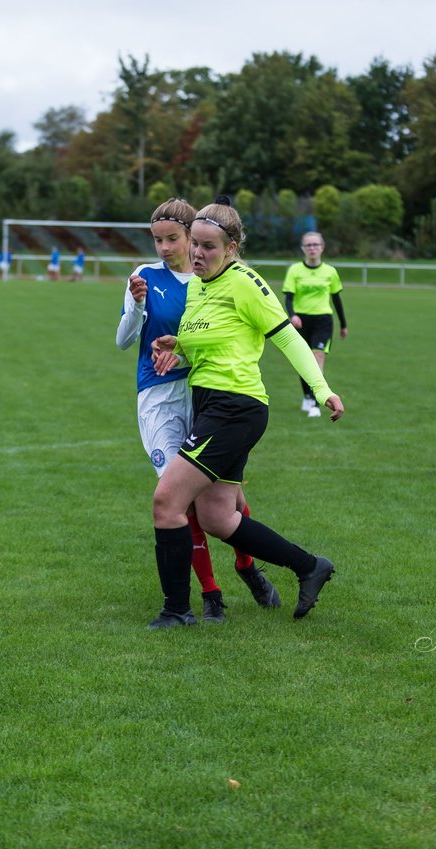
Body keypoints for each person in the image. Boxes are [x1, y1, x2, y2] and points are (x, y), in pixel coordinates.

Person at [148, 196, 344, 629]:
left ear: (232, 247)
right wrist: (175, 348)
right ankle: (310, 567)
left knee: (167, 502)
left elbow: (288, 339)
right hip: (211, 405)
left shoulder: (245, 283)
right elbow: (209, 345)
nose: (197, 254)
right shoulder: (199, 285)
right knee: (218, 517)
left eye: (208, 247)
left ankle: (177, 610)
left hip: (235, 408)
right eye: (194, 245)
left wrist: (321, 388)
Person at [116, 199, 274, 624]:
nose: (164, 248)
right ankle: (209, 594)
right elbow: (123, 340)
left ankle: (247, 566)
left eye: (172, 239)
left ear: (193, 237)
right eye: (157, 240)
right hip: (158, 398)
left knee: (230, 497)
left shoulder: (212, 279)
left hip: (205, 393)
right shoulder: (144, 277)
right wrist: (135, 305)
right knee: (179, 501)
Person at [282, 231, 347, 417]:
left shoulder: (330, 272)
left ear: (322, 247)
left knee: (317, 359)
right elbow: (288, 297)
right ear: (303, 248)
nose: (312, 248)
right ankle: (307, 397)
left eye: (315, 245)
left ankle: (316, 403)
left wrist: (343, 324)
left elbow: (337, 300)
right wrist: (292, 315)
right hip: (300, 321)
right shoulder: (295, 270)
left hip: (323, 320)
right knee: (304, 361)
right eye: (308, 245)